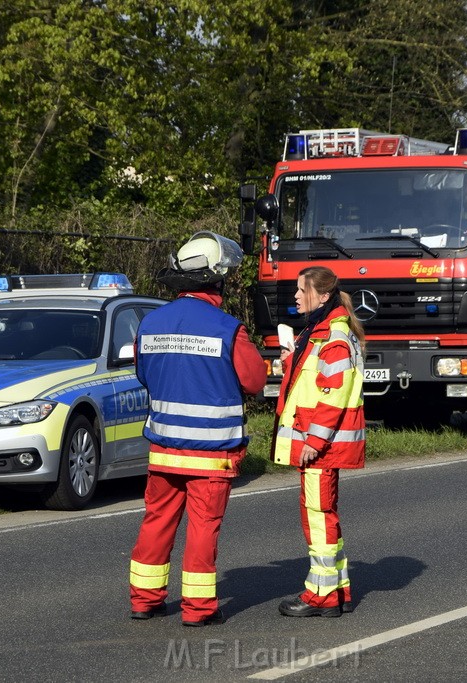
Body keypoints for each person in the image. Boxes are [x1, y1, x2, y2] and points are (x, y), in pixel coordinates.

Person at [129, 231, 266, 627]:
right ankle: (198, 609)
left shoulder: (151, 323)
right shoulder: (228, 328)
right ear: (217, 278)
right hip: (211, 452)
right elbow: (255, 380)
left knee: (157, 520)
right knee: (203, 527)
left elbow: (143, 373)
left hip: (163, 448)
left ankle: (144, 600)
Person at [271, 266, 366, 617]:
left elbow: (334, 394)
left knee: (318, 515)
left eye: (301, 289)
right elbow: (318, 381)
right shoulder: (320, 331)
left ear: (322, 295)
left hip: (320, 446)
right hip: (320, 444)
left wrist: (315, 439)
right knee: (321, 513)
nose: (295, 295)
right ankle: (336, 590)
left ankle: (321, 596)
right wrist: (290, 362)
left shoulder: (333, 336)